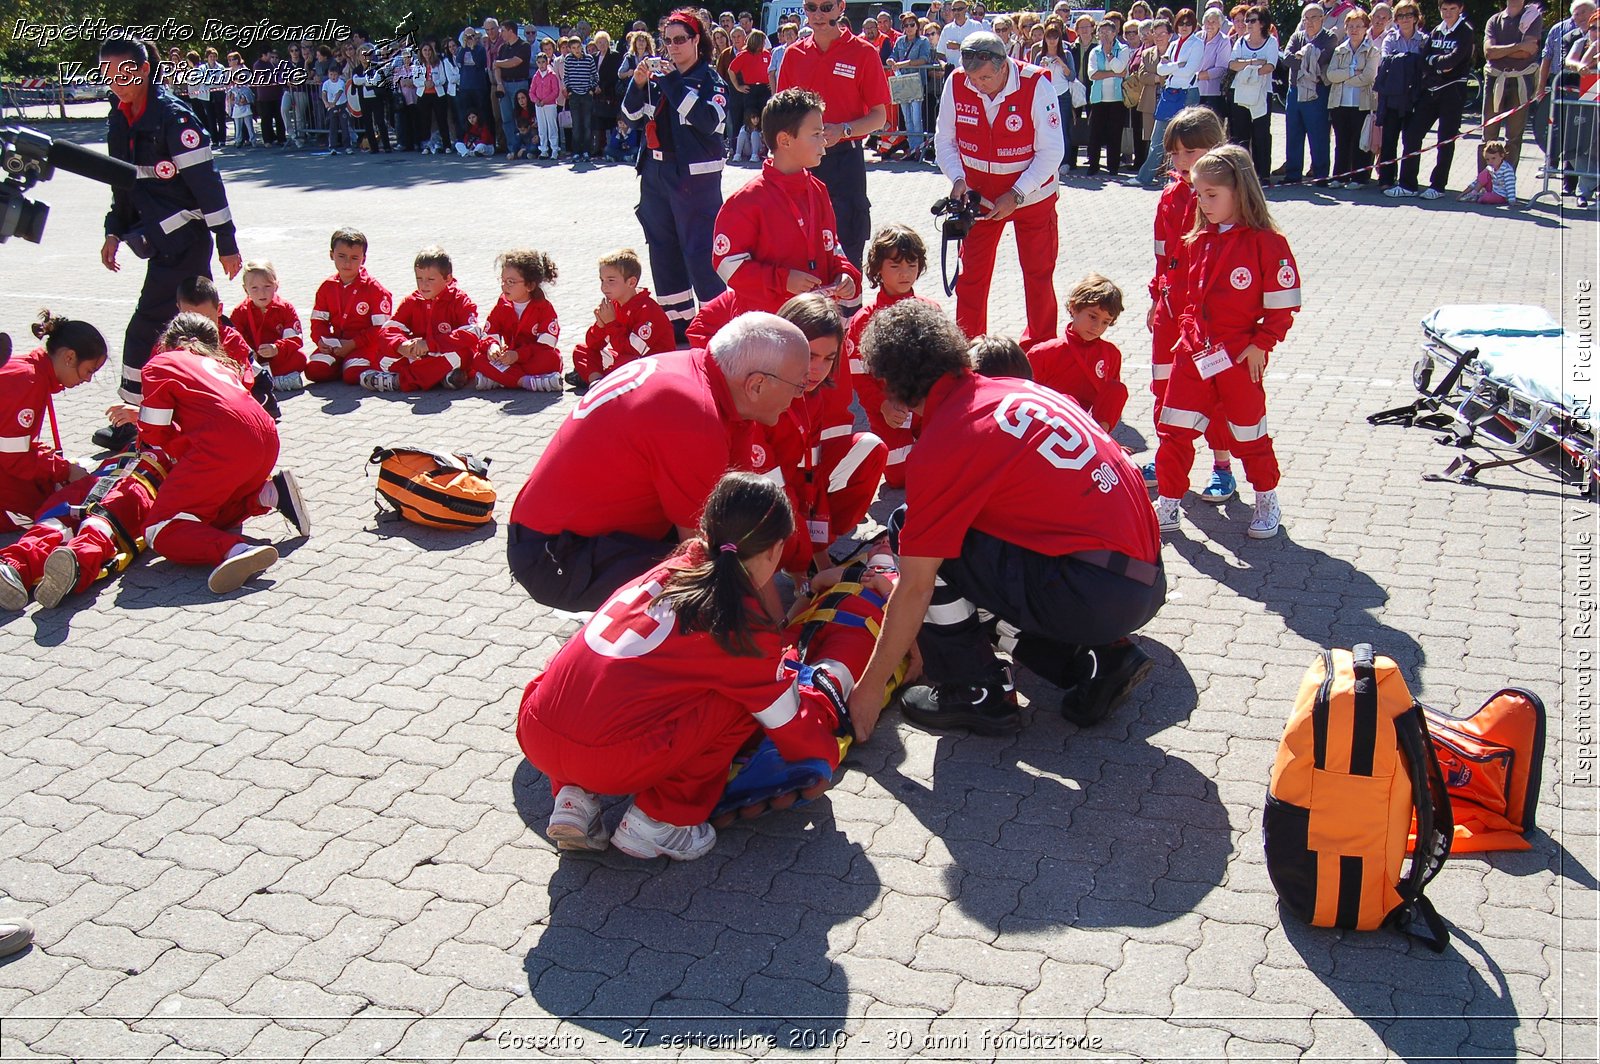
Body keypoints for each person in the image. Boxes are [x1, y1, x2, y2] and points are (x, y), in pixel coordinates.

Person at [846, 300, 1165, 737]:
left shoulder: (950, 436)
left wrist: (867, 689)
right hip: (1142, 580)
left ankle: (976, 691)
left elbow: (916, 586)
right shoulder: (1019, 391)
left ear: (892, 384)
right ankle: (1096, 661)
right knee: (964, 559)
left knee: (914, 533)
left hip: (1095, 590)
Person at [517, 472, 846, 860]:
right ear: (775, 551)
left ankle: (574, 796)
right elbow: (787, 722)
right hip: (608, 757)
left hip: (536, 729)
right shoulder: (739, 621)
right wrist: (825, 754)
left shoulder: (664, 572)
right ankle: (662, 821)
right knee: (739, 703)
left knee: (584, 674)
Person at [507, 312, 810, 612]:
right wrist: (775, 635)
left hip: (568, 537)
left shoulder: (707, 379)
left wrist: (800, 575)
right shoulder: (693, 414)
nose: (800, 395)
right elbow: (708, 548)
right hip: (554, 556)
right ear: (756, 385)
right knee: (708, 585)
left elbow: (742, 521)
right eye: (798, 385)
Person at [96, 36, 242, 453]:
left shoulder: (174, 119)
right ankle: (176, 411)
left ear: (142, 70)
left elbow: (207, 185)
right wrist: (112, 230)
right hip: (158, 241)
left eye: (123, 73)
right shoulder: (120, 120)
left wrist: (226, 241)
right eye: (107, 74)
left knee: (154, 326)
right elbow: (122, 185)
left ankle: (140, 418)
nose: (115, 82)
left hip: (186, 242)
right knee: (187, 326)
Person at [1152, 145, 1300, 540]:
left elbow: (1282, 306)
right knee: (1174, 430)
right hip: (1193, 353)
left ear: (1240, 191)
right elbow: (1189, 297)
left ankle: (1266, 498)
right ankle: (1168, 503)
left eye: (1212, 195)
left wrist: (1262, 344)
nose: (1203, 203)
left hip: (1238, 356)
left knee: (1249, 433)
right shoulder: (1198, 239)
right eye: (1199, 194)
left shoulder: (1267, 243)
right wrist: (1186, 330)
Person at [130, 314, 309, 594]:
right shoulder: (218, 364)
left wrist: (175, 451)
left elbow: (154, 431)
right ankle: (270, 493)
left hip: (223, 447)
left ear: (167, 341)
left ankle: (236, 550)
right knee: (206, 515)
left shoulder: (159, 364)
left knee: (159, 529)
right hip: (266, 439)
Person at [935, 32, 1064, 348]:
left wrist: (1017, 193)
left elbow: (1052, 151)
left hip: (1032, 196)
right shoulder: (956, 83)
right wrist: (957, 179)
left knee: (1038, 274)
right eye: (973, 78)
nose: (978, 84)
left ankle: (1042, 346)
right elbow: (944, 139)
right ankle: (970, 347)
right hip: (979, 195)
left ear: (1004, 64)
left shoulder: (1037, 85)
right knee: (972, 278)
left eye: (986, 77)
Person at [753, 293, 887, 577]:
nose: (817, 369)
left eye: (828, 358)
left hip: (788, 489)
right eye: (810, 355)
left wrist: (820, 555)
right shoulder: (759, 393)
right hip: (756, 497)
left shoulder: (811, 396)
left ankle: (808, 554)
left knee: (870, 448)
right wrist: (802, 563)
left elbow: (808, 478)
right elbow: (776, 491)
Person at [705, 89, 862, 326]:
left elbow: (831, 245)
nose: (824, 141)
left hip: (814, 325)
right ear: (785, 140)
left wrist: (845, 273)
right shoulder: (747, 200)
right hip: (766, 332)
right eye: (816, 134)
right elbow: (727, 264)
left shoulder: (817, 190)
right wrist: (783, 280)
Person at [622, 9, 732, 343]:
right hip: (656, 171)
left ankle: (718, 322)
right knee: (663, 249)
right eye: (667, 41)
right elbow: (630, 115)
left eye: (680, 39)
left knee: (699, 251)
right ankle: (678, 322)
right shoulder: (658, 78)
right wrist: (638, 84)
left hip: (695, 178)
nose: (673, 47)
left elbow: (708, 120)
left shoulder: (710, 80)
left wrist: (670, 83)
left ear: (697, 40)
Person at [776, 0, 893, 295]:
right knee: (800, 247)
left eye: (826, 7)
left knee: (848, 247)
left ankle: (847, 325)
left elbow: (879, 116)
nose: (818, 15)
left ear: (841, 7)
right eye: (811, 7)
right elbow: (780, 114)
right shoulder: (794, 54)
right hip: (801, 164)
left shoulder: (863, 52)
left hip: (845, 160)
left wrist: (844, 130)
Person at [847, 224, 937, 490]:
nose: (905, 273)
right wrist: (883, 405)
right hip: (890, 411)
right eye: (895, 266)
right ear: (877, 269)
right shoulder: (863, 320)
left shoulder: (930, 310)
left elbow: (947, 366)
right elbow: (859, 376)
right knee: (902, 477)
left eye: (912, 265)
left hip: (928, 407)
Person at [0, 313, 104, 534]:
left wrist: (55, 466)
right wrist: (64, 470)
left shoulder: (31, 372)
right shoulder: (28, 381)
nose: (87, 380)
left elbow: (14, 444)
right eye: (89, 371)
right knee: (34, 513)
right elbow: (13, 457)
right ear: (69, 357)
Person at [363, 247, 481, 393]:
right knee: (384, 356)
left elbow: (473, 334)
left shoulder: (460, 300)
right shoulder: (412, 301)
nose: (424, 284)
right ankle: (440, 377)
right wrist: (401, 345)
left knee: (461, 355)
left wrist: (430, 344)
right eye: (419, 279)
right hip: (420, 356)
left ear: (448, 279)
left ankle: (398, 381)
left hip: (444, 353)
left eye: (431, 279)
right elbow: (387, 331)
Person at [1025, 274, 1130, 433]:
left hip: (1088, 426)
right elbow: (1026, 397)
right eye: (1092, 316)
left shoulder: (1111, 353)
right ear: (1074, 308)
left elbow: (1108, 402)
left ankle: (1100, 440)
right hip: (1050, 423)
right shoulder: (1044, 351)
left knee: (1116, 390)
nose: (1097, 327)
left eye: (1105, 322)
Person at [569, 248, 676, 391]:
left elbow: (633, 350)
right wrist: (601, 326)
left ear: (631, 282)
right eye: (602, 280)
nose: (604, 286)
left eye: (611, 280)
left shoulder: (647, 310)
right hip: (624, 356)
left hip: (653, 363)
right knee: (582, 350)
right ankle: (597, 383)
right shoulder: (614, 305)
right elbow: (593, 344)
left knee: (626, 361)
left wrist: (611, 324)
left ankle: (598, 378)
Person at [1404, 0, 1476, 197]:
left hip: (1453, 92)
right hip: (1431, 90)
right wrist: (1437, 64)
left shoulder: (1465, 31)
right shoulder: (1436, 30)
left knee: (1445, 139)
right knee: (1412, 134)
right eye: (1444, 9)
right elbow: (1423, 59)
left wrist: (1435, 62)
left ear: (1460, 9)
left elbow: (1454, 61)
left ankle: (1437, 186)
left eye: (1452, 9)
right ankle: (1408, 184)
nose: (1448, 13)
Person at [305, 228, 395, 385]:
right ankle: (341, 364)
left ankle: (353, 365)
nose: (347, 263)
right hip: (336, 344)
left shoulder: (375, 290)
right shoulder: (327, 287)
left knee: (353, 375)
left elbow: (381, 329)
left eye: (354, 258)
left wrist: (353, 344)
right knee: (313, 371)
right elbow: (318, 321)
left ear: (363, 259)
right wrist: (321, 341)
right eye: (341, 256)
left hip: (364, 345)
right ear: (331, 255)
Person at [470, 249, 564, 391]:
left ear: (530, 286)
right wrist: (492, 347)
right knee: (478, 358)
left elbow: (546, 345)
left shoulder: (544, 309)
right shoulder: (502, 305)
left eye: (511, 282)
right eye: (502, 281)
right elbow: (489, 333)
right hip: (509, 357)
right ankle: (527, 382)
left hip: (530, 358)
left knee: (551, 359)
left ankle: (501, 378)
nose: (504, 286)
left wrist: (518, 355)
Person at [1133, 8, 1203, 186]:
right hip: (1169, 93)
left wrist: (1171, 67)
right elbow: (1160, 70)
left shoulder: (1197, 44)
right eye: (1181, 23)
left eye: (1188, 23)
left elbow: (1189, 71)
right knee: (1157, 140)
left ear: (1193, 25)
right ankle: (1144, 177)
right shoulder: (1173, 45)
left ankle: (1177, 179)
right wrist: (1177, 65)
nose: (1184, 27)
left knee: (1183, 141)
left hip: (1187, 94)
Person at [1277, 4, 1336, 186]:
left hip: (1317, 92)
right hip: (1294, 91)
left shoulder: (1329, 38)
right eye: (1306, 18)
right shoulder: (1297, 36)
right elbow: (1287, 58)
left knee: (1318, 135)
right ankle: (1293, 174)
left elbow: (1321, 59)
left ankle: (1320, 175)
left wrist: (1304, 59)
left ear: (1322, 19)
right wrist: (1305, 59)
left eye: (1314, 17)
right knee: (1293, 133)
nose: (1309, 22)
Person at [1375, 0, 1428, 194]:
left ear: (1416, 18)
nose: (1405, 19)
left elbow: (1424, 67)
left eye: (1409, 15)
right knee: (1389, 139)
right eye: (1401, 16)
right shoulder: (1390, 39)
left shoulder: (1423, 40)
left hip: (1414, 97)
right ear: (1395, 20)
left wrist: (1403, 62)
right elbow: (1386, 62)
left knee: (1412, 140)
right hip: (1392, 96)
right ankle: (1386, 179)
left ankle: (1408, 182)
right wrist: (1410, 62)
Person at [1482, 0, 1542, 170]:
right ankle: (1484, 181)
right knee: (1489, 133)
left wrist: (1501, 51)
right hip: (1495, 80)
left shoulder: (1532, 18)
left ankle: (1507, 183)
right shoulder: (1494, 20)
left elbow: (1527, 53)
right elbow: (1489, 52)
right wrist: (1518, 46)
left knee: (1514, 137)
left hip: (1520, 81)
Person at [230, 262, 306, 393]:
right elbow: (232, 339)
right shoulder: (239, 312)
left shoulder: (285, 308)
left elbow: (295, 339)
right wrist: (248, 352)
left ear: (276, 286)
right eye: (254, 288)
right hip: (254, 361)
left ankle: (267, 382)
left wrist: (277, 348)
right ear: (245, 289)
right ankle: (275, 382)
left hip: (278, 358)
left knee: (300, 358)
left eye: (267, 286)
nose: (262, 292)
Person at [1326, 8, 1380, 187]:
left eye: (1358, 26)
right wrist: (1351, 71)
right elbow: (1331, 75)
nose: (1354, 30)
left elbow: (1368, 77)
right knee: (1342, 141)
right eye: (1350, 26)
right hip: (1340, 102)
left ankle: (1359, 178)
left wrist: (1345, 79)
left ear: (1366, 28)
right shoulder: (1340, 50)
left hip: (1362, 103)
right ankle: (1340, 176)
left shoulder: (1372, 51)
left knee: (1360, 141)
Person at [1226, 7, 1277, 180]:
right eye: (1247, 20)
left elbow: (1270, 66)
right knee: (1241, 134)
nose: (1248, 24)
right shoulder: (1240, 42)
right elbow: (1233, 64)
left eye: (1252, 20)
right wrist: (1254, 63)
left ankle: (1263, 174)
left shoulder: (1271, 42)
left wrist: (1246, 70)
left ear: (1262, 23)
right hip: (1240, 94)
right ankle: (1242, 173)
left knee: (1261, 134)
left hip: (1262, 94)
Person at [1086, 19, 1132, 176]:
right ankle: (1093, 165)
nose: (1104, 35)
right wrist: (1113, 74)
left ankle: (1113, 166)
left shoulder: (1123, 49)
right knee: (1095, 133)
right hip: (1099, 99)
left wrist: (1110, 55)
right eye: (1101, 32)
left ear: (1115, 33)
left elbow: (1121, 68)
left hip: (1117, 99)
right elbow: (1092, 75)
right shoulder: (1094, 51)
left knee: (1115, 133)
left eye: (1108, 32)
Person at [1032, 19, 1078, 170]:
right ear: (1045, 39)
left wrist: (1062, 64)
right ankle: (1047, 162)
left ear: (1059, 39)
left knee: (1063, 129)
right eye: (1049, 37)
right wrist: (1041, 67)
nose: (1052, 41)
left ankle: (1065, 162)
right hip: (1045, 97)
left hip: (1063, 95)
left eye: (1055, 37)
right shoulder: (1040, 56)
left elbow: (1072, 76)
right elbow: (1034, 79)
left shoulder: (1067, 54)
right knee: (1044, 130)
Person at [891, 14, 936, 157]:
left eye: (912, 24)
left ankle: (919, 148)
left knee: (917, 117)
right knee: (907, 118)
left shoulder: (923, 41)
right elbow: (893, 55)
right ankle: (912, 148)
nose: (909, 28)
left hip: (916, 81)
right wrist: (891, 61)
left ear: (917, 26)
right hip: (902, 82)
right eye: (906, 25)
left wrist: (903, 63)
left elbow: (924, 59)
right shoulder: (900, 41)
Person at [729, 30, 774, 161]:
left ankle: (763, 149)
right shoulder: (744, 55)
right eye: (762, 41)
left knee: (764, 118)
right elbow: (731, 70)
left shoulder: (766, 54)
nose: (764, 43)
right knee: (751, 119)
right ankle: (745, 151)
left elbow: (771, 70)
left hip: (764, 89)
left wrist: (772, 84)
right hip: (751, 89)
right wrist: (738, 86)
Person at [495, 22, 534, 160]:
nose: (501, 34)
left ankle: (526, 148)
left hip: (519, 84)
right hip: (504, 84)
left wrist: (498, 63)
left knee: (522, 118)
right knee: (507, 119)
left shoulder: (524, 46)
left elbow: (514, 62)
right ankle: (512, 148)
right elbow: (496, 68)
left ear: (511, 31)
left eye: (503, 31)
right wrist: (499, 83)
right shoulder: (502, 47)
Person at [563, 35, 600, 163]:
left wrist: (591, 89)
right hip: (574, 96)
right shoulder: (568, 59)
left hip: (586, 95)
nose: (577, 50)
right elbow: (566, 76)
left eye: (578, 47)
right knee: (576, 125)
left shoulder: (589, 59)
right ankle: (576, 152)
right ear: (570, 49)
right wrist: (570, 91)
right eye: (574, 48)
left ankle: (586, 151)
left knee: (587, 124)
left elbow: (595, 76)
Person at [1195, 7, 1233, 115]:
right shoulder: (1197, 37)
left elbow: (1221, 69)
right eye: (1208, 21)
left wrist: (1196, 76)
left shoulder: (1224, 41)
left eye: (1213, 22)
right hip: (1194, 90)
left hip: (1213, 93)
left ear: (1219, 25)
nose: (1210, 25)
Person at [1460, 137, 1520, 202]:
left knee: (1485, 198)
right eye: (1487, 159)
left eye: (1493, 158)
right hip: (1493, 190)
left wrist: (1511, 200)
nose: (1490, 161)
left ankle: (1478, 196)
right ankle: (1473, 193)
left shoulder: (1506, 170)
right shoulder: (1490, 167)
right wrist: (1464, 192)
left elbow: (1510, 185)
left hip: (1502, 195)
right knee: (1485, 173)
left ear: (1502, 156)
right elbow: (1477, 181)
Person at [530, 54, 562, 158]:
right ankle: (543, 149)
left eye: (543, 62)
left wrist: (545, 100)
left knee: (552, 127)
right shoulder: (536, 76)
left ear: (547, 62)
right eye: (539, 62)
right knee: (542, 128)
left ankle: (554, 149)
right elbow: (531, 92)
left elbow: (555, 91)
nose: (541, 65)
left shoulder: (552, 75)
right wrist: (536, 100)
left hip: (550, 104)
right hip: (539, 105)